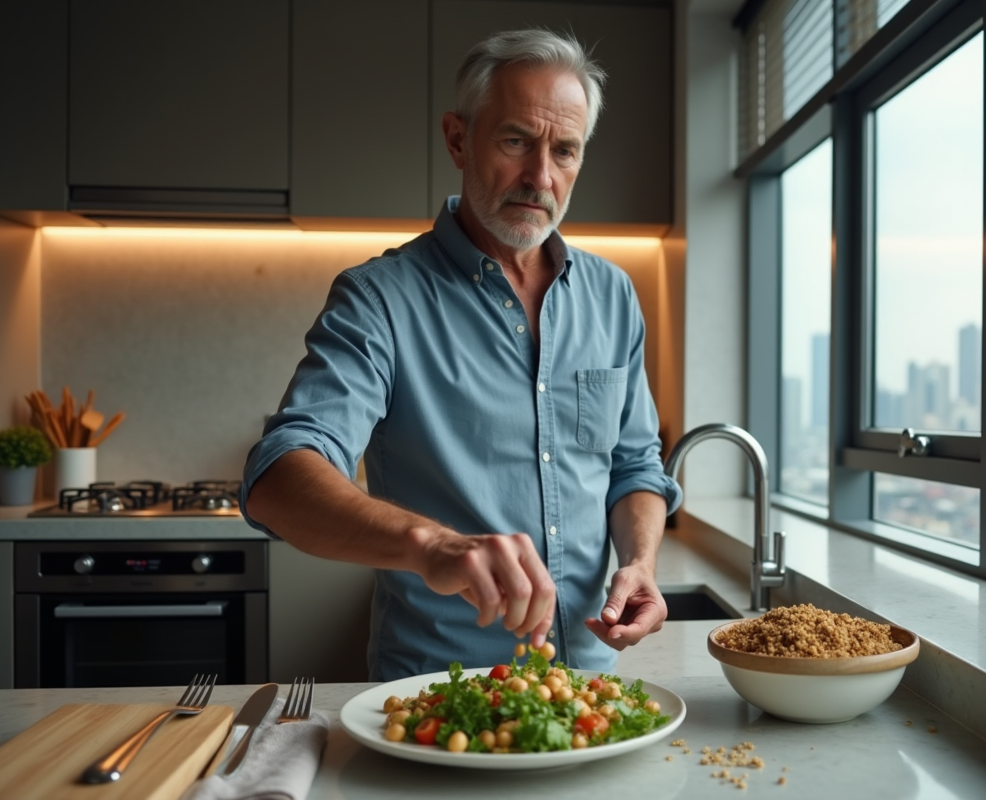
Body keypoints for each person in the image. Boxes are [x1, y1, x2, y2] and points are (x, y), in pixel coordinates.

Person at [240, 28, 682, 681]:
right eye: (515, 141)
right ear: (457, 138)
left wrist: (640, 562)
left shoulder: (613, 295)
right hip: (440, 690)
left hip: (590, 683)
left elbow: (634, 465)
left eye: (565, 151)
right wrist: (433, 546)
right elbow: (277, 475)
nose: (540, 177)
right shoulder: (378, 298)